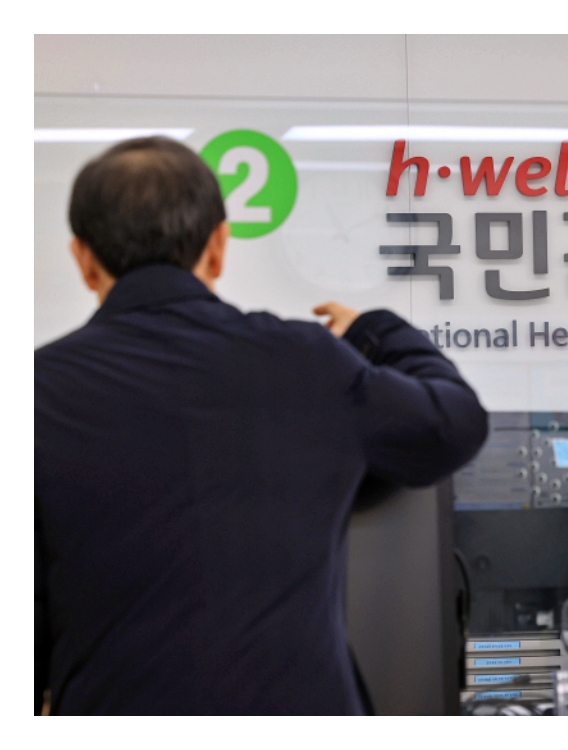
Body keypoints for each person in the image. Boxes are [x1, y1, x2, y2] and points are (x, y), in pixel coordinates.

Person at [34, 136, 489, 715]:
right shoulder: (307, 361)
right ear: (218, 246)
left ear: (83, 259)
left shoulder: (34, 390)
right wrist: (374, 331)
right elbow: (454, 424)